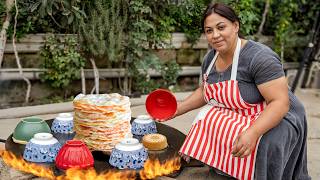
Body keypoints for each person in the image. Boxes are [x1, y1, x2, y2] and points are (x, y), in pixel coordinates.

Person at [156, 3, 310, 180]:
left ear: (235, 26)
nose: (215, 35)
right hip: (247, 110)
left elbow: (280, 103)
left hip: (281, 114)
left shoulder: (259, 57)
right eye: (209, 30)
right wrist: (177, 109)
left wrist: (252, 132)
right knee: (209, 116)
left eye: (221, 27)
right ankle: (226, 171)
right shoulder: (210, 58)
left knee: (266, 143)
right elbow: (205, 91)